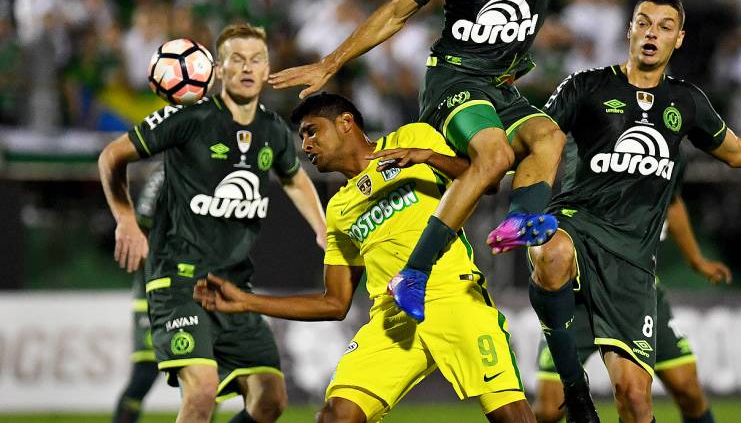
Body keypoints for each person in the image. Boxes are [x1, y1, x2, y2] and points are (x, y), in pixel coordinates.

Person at [268, 0, 631, 333]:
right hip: (454, 83)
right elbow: (396, 12)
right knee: (496, 155)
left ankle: (521, 222)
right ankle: (412, 274)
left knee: (549, 136)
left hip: (501, 86)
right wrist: (333, 62)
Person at [522, 0, 741, 423]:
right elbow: (535, 141)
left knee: (634, 397)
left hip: (631, 264)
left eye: (665, 27)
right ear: (629, 30)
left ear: (679, 39)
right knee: (552, 256)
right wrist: (516, 194)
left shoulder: (686, 103)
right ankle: (575, 390)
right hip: (579, 233)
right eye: (644, 22)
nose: (652, 33)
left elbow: (739, 154)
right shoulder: (585, 86)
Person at [193, 92, 536, 423]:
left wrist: (429, 157)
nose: (306, 145)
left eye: (312, 131)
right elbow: (335, 302)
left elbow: (487, 179)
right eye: (302, 137)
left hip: (454, 298)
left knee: (511, 417)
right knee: (336, 416)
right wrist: (247, 301)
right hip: (392, 317)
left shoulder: (412, 137)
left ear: (345, 123)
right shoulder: (339, 210)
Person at [98, 23, 327, 423]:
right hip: (178, 280)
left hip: (234, 287)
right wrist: (125, 218)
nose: (247, 68)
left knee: (270, 400)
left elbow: (293, 177)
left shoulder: (273, 129)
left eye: (256, 59)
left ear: (267, 66)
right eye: (236, 59)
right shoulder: (189, 118)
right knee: (202, 391)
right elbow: (112, 156)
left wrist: (321, 227)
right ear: (217, 69)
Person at [532, 160, 731, 423]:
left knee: (686, 388)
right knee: (548, 408)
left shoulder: (669, 141)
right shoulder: (596, 131)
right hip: (580, 290)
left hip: (634, 289)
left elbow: (672, 201)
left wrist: (696, 260)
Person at [112, 162, 164, 423]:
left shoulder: (213, 167)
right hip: (154, 294)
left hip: (197, 293)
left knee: (206, 379)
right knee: (144, 374)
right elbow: (140, 229)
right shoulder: (164, 172)